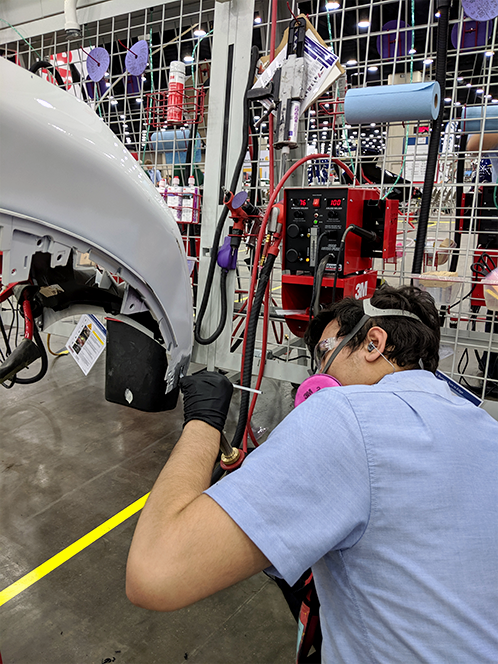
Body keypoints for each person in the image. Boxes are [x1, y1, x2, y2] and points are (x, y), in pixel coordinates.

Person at [126, 285, 498, 663]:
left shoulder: (346, 415)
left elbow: (155, 571)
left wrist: (203, 423)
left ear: (373, 343)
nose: (318, 373)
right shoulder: (483, 427)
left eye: (324, 353)